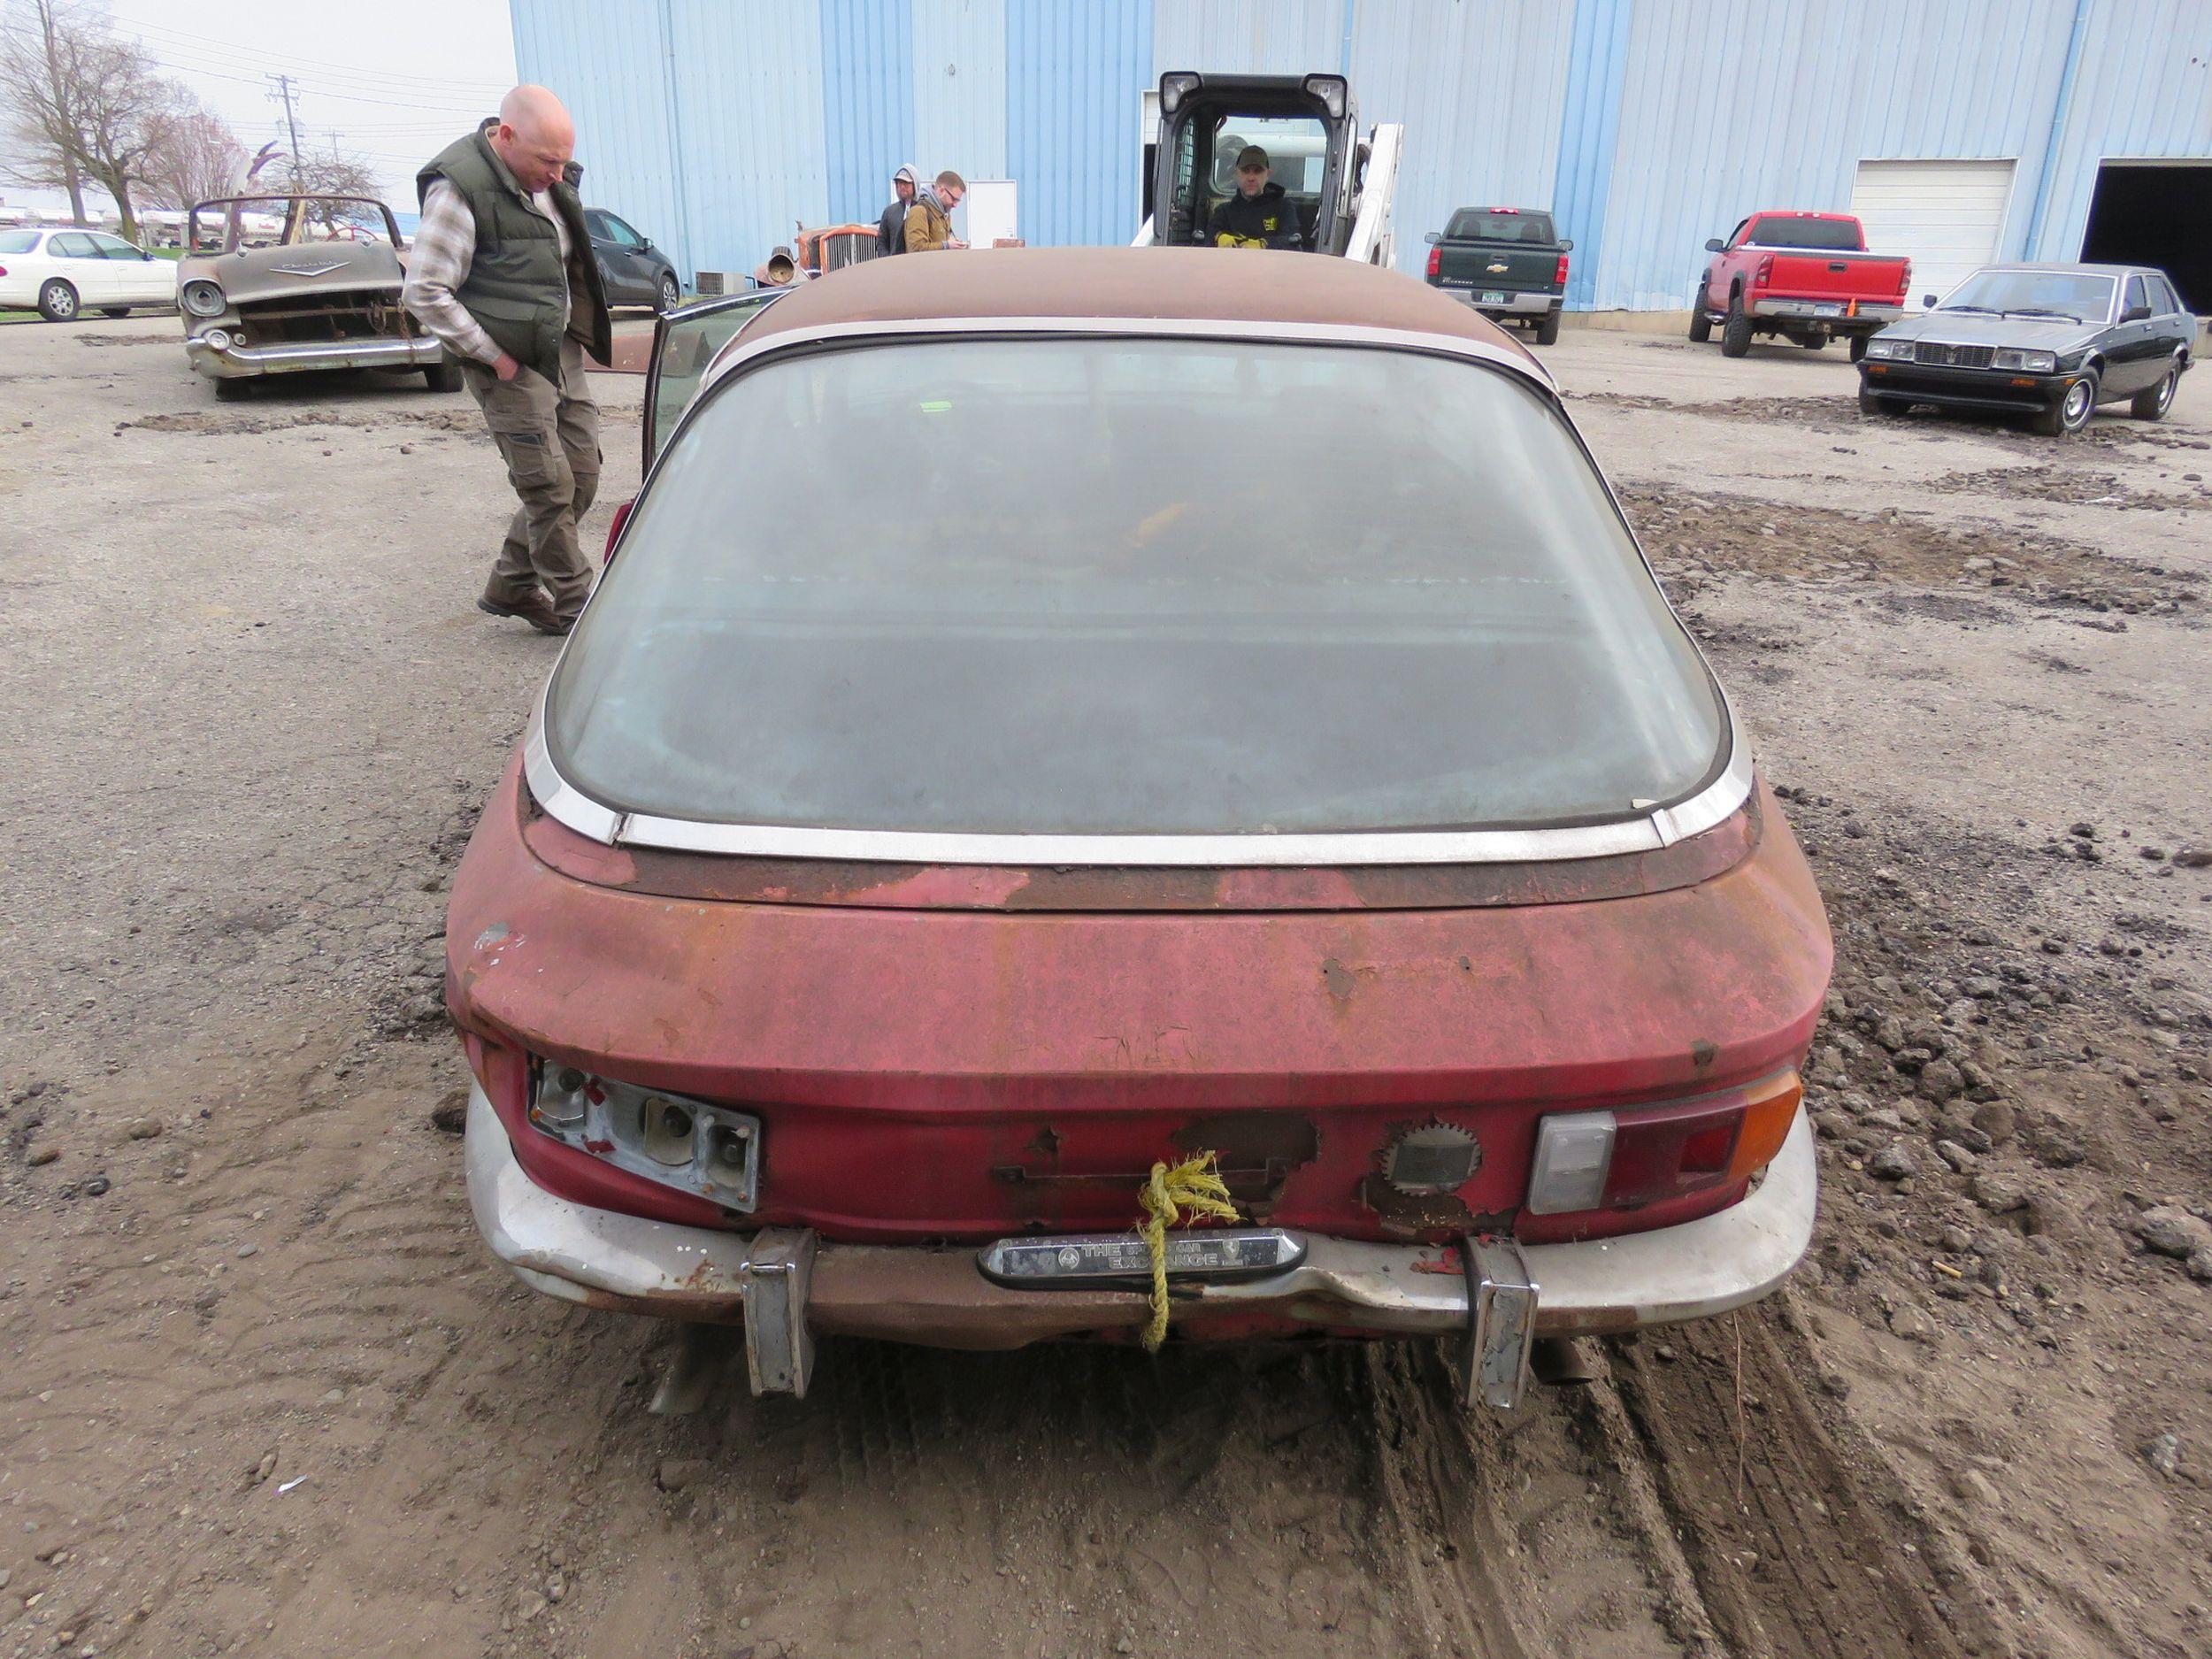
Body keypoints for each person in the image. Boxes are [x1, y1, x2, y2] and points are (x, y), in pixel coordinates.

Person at [405, 85, 611, 636]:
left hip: (558, 350)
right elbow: (424, 291)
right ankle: (579, 612)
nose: (557, 173)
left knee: (583, 476)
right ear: (506, 135)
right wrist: (494, 358)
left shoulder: (546, 176)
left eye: (564, 161)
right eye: (548, 161)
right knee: (547, 487)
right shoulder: (459, 189)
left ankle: (512, 584)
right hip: (509, 362)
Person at [1207, 145, 1302, 250]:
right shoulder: (1224, 212)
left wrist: (1263, 244)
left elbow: (1293, 241)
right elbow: (1206, 240)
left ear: (1268, 174)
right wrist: (1218, 237)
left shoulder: (1284, 208)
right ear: (1235, 174)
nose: (1251, 178)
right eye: (1245, 171)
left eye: (1257, 171)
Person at [904, 171, 968, 252]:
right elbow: (916, 249)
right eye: (953, 199)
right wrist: (947, 245)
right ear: (941, 191)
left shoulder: (944, 214)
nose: (955, 205)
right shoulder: (919, 211)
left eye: (957, 201)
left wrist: (954, 245)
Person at [876, 165, 918, 257]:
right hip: (894, 265)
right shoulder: (889, 212)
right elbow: (881, 242)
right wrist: (888, 260)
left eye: (906, 183)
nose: (902, 187)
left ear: (915, 184)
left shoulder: (923, 210)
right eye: (899, 183)